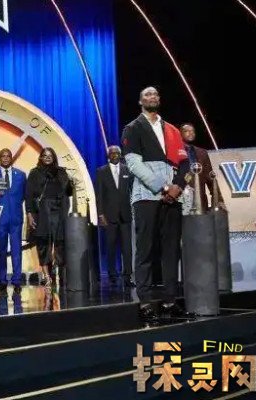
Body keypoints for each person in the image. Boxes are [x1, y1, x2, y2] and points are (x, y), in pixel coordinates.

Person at [121, 86, 191, 321]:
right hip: (146, 196)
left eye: (155, 94)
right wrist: (162, 187)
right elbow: (134, 164)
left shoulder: (171, 129)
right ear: (140, 101)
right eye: (147, 95)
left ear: (159, 99)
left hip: (173, 196)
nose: (152, 97)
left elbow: (184, 163)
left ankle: (171, 301)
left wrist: (177, 186)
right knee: (145, 250)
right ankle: (145, 303)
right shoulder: (133, 128)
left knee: (171, 250)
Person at [25, 147, 73, 287]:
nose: (47, 157)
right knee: (44, 245)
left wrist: (71, 182)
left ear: (54, 157)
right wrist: (29, 214)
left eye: (50, 155)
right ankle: (47, 276)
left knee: (60, 244)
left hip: (60, 211)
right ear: (40, 157)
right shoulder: (34, 173)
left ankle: (61, 276)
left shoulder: (61, 172)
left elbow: (69, 192)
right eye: (45, 155)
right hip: (42, 212)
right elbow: (29, 195)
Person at [0, 148, 27, 292]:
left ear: (11, 158)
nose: (5, 158)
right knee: (1, 250)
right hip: (0, 218)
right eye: (3, 156)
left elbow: (24, 196)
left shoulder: (21, 175)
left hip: (16, 219)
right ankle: (2, 281)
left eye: (8, 156)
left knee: (17, 251)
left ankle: (17, 281)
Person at [96, 146, 134, 287]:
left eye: (117, 153)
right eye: (112, 153)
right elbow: (99, 195)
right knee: (110, 246)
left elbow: (132, 190)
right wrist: (101, 214)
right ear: (108, 155)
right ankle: (112, 274)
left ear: (120, 154)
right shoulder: (101, 171)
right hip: (109, 215)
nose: (115, 155)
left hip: (125, 215)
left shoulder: (127, 170)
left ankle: (128, 276)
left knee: (127, 248)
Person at [180, 123, 225, 211]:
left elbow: (210, 177)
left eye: (193, 131)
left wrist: (219, 199)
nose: (191, 133)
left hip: (200, 199)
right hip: (181, 198)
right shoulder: (176, 150)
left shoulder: (202, 153)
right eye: (187, 131)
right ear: (180, 134)